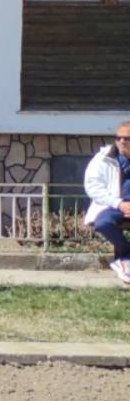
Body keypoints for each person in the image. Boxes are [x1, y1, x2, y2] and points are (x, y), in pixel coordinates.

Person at [84, 121, 130, 286]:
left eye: (127, 138)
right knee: (103, 223)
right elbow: (92, 186)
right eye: (119, 137)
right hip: (113, 205)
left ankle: (125, 262)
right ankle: (126, 255)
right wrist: (119, 203)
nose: (122, 141)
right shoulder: (103, 159)